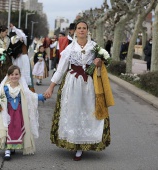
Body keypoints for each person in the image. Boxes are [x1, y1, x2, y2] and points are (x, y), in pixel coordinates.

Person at [44, 21, 114, 161]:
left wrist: (99, 63)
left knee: (89, 112)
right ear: (75, 31)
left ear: (88, 31)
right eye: (79, 28)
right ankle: (75, 143)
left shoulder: (95, 47)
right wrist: (51, 87)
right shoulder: (69, 49)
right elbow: (60, 70)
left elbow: (103, 65)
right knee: (73, 112)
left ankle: (85, 143)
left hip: (90, 85)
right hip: (72, 84)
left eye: (84, 28)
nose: (81, 30)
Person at [0, 65, 46, 160]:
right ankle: (7, 150)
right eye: (12, 74)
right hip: (7, 112)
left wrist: (42, 96)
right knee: (8, 129)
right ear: (8, 76)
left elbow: (31, 96)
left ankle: (13, 146)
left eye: (16, 74)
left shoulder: (22, 88)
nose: (14, 76)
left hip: (18, 113)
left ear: (20, 75)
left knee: (15, 130)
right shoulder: (5, 87)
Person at [9, 24, 35, 92]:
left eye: (21, 31)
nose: (19, 32)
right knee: (15, 72)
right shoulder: (15, 39)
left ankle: (26, 90)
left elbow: (22, 35)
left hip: (23, 58)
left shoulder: (25, 39)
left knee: (24, 73)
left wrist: (14, 28)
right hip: (17, 58)